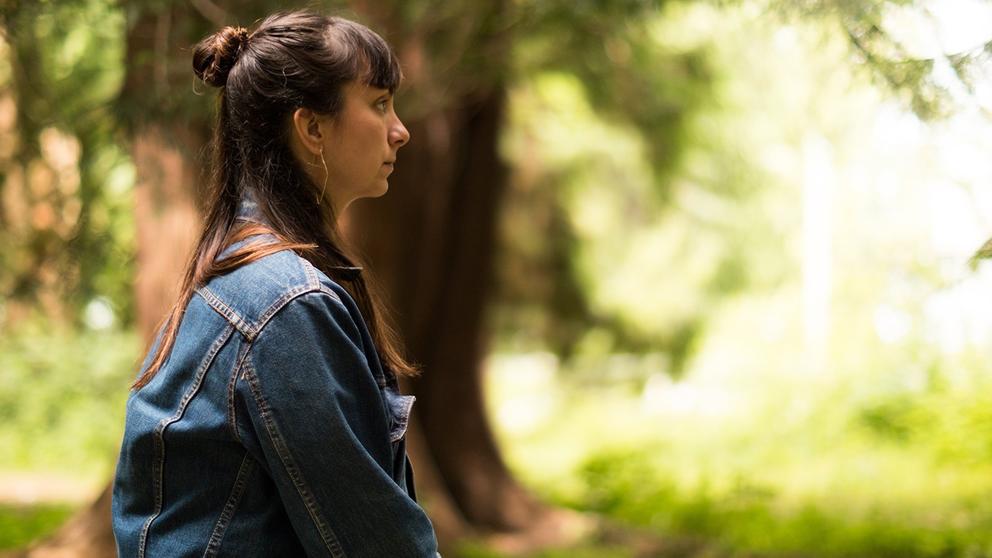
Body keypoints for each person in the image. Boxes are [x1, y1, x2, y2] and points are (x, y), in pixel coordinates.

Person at [111, 10, 441, 557]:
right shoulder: (284, 301)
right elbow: (374, 543)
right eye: (379, 103)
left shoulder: (249, 271)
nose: (400, 130)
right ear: (312, 127)